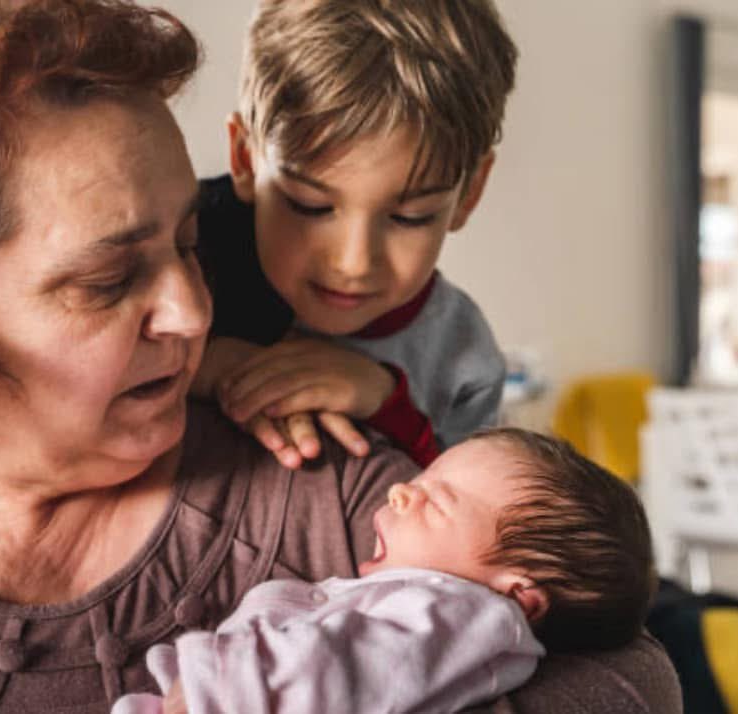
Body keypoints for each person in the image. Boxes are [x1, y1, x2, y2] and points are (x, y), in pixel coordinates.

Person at [0, 1, 681, 712]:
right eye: (108, 280)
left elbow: (624, 671)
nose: (193, 311)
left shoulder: (330, 485)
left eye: (190, 246)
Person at [112, 428, 657, 714]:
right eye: (417, 480)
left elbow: (341, 670)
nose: (399, 491)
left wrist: (216, 689)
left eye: (435, 501)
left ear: (517, 596)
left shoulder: (463, 617)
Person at [194, 0, 518, 469]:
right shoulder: (176, 263)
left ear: (470, 192)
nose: (354, 262)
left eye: (410, 217)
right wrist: (200, 367)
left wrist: (388, 405)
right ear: (245, 158)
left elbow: (471, 508)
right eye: (310, 206)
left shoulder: (463, 361)